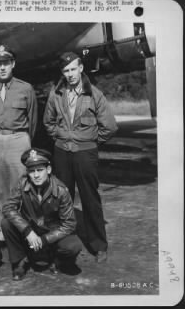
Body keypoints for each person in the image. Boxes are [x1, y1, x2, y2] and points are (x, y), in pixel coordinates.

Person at [43, 52, 118, 263]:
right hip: (61, 153)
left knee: (90, 198)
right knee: (60, 198)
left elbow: (110, 127)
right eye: (66, 71)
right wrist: (60, 138)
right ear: (62, 73)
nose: (70, 74)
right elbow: (48, 122)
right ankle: (63, 242)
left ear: (81, 68)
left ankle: (98, 246)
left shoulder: (94, 94)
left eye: (73, 69)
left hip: (86, 153)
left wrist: (91, 142)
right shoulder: (56, 94)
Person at [0, 44, 38, 241]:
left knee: (21, 187)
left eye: (6, 63)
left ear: (13, 64)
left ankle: (22, 229)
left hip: (18, 139)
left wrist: (24, 139)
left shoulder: (26, 88)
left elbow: (33, 119)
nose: (2, 67)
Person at [1, 148, 82, 280]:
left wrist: (45, 240)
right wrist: (27, 231)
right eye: (32, 171)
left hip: (52, 231)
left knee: (73, 246)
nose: (36, 175)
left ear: (48, 170)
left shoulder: (61, 190)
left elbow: (69, 224)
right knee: (6, 223)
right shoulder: (22, 184)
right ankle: (20, 262)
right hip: (30, 228)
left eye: (40, 170)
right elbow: (8, 208)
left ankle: (56, 259)